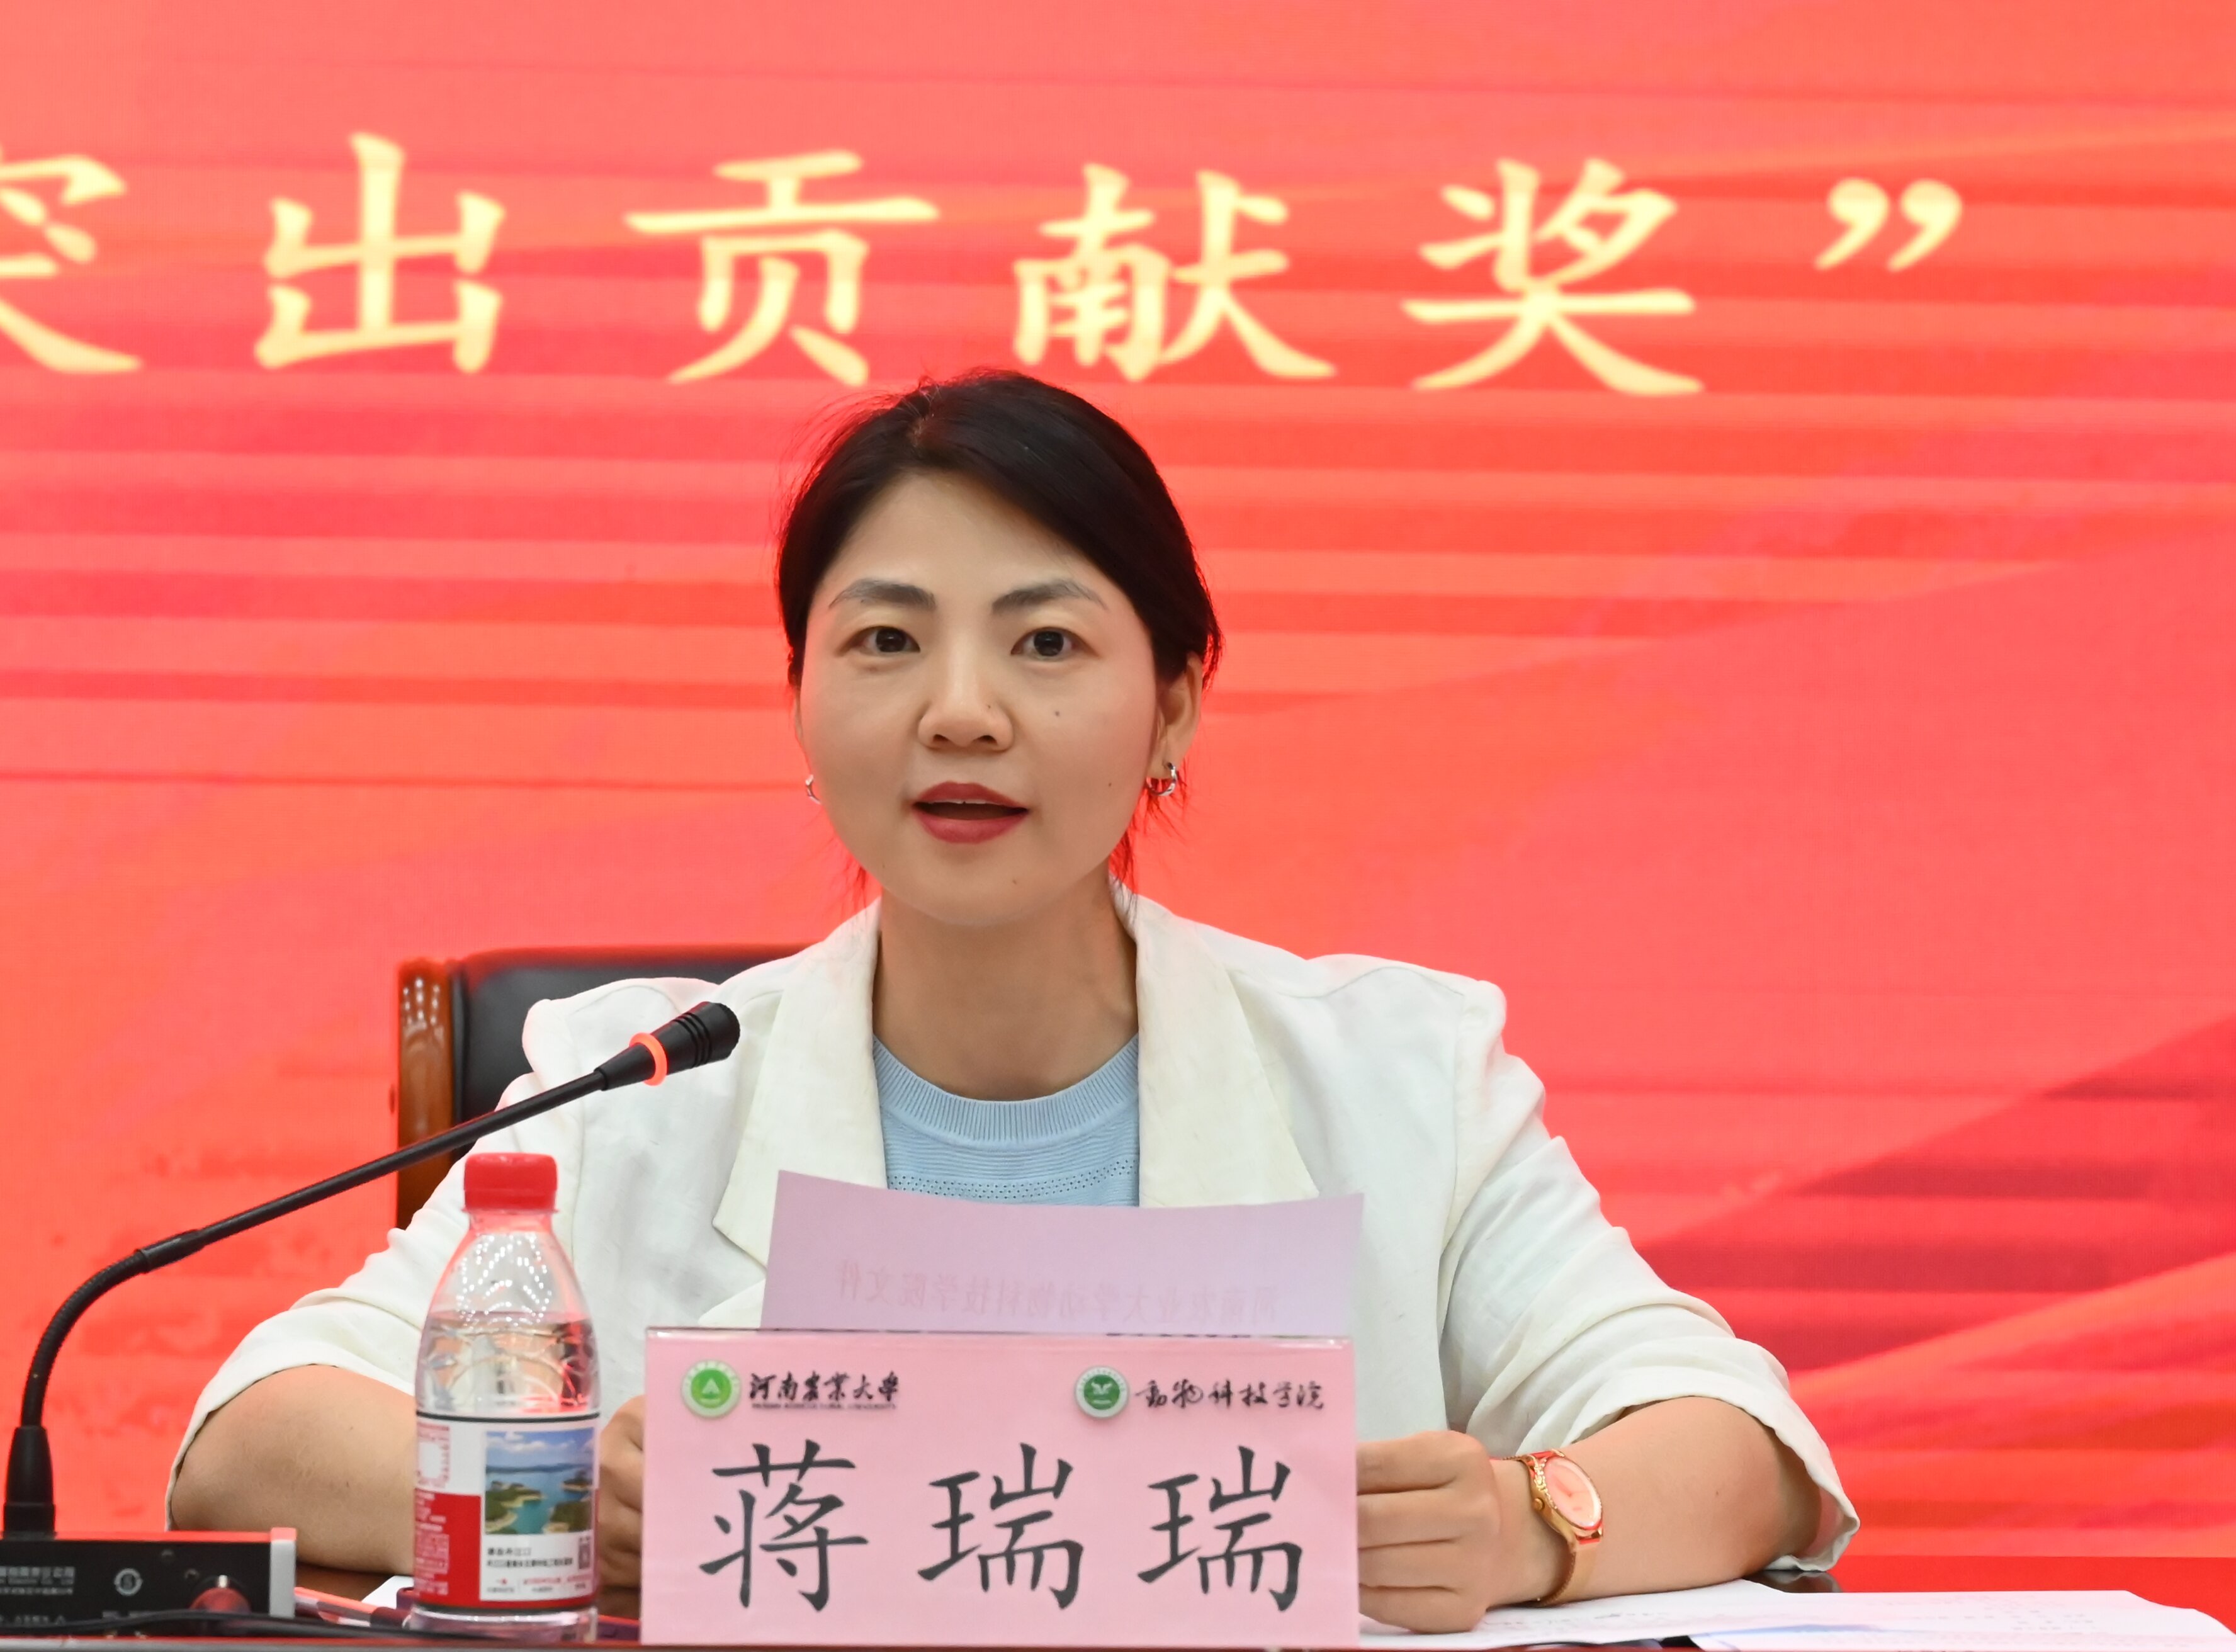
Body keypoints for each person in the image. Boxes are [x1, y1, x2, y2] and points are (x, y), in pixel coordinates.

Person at [169, 370, 1851, 1631]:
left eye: (1046, 645)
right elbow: (248, 1440)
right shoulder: (635, 1090)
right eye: (885, 642)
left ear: (1175, 704)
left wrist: (1529, 1525)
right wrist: (569, 1503)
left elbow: (1741, 1446)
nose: (961, 713)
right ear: (801, 698)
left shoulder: (1400, 1077)